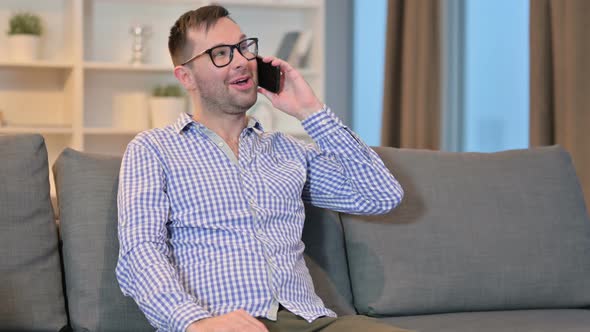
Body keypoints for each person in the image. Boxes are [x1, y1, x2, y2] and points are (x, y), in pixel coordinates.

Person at [116, 5, 407, 332]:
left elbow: (381, 196)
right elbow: (140, 253)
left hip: (312, 320)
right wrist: (196, 323)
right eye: (221, 53)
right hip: (224, 323)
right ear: (186, 77)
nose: (242, 60)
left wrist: (311, 112)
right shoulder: (154, 149)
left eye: (243, 47)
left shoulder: (288, 151)